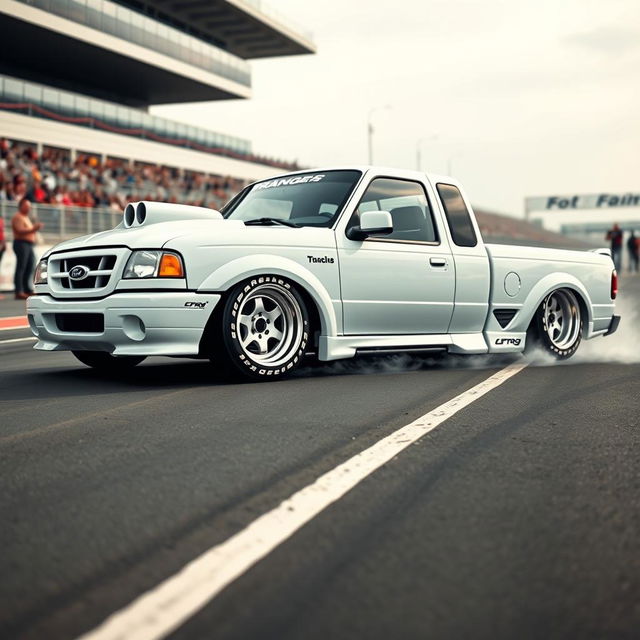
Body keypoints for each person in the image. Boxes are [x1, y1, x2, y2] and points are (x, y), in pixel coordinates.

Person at [11, 197, 43, 300]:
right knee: (21, 267)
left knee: (29, 266)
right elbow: (20, 230)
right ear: (21, 206)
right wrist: (34, 228)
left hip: (28, 244)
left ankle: (26, 289)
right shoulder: (18, 217)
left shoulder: (25, 217)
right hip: (21, 243)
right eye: (27, 206)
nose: (29, 208)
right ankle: (19, 291)